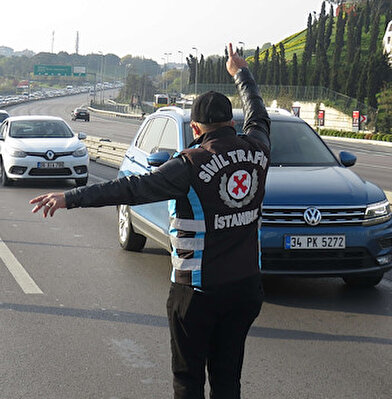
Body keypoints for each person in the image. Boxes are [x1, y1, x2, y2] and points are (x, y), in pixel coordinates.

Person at [30, 43, 270, 399]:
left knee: (188, 379)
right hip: (247, 286)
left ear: (194, 128)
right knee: (227, 377)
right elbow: (258, 111)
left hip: (198, 292)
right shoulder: (259, 148)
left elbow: (131, 189)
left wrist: (70, 198)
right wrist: (241, 74)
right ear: (231, 124)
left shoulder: (189, 164)